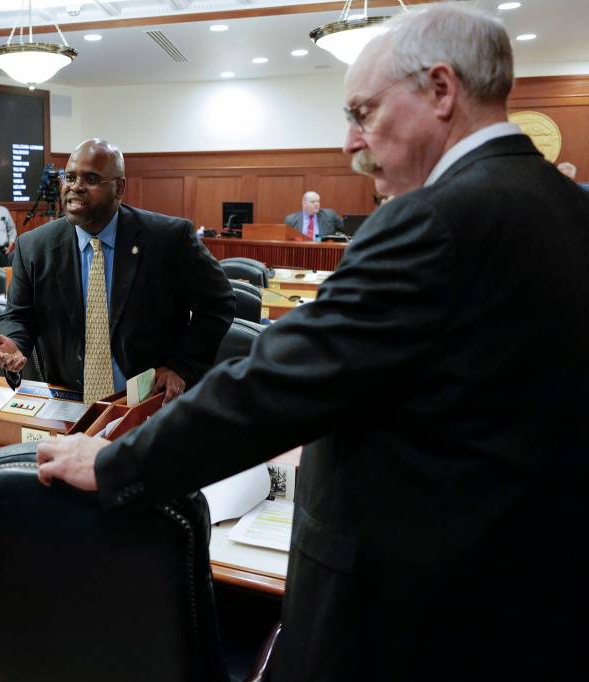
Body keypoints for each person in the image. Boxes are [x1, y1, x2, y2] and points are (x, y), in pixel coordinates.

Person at [36, 6, 588, 680]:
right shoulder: (570, 210)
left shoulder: (437, 220)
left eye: (364, 112)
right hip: (527, 590)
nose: (351, 144)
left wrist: (117, 462)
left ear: (442, 91)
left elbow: (279, 379)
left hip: (406, 613)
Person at [0, 138, 234, 404]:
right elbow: (18, 315)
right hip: (67, 402)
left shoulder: (169, 239)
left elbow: (218, 304)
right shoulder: (34, 246)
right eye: (69, 177)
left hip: (149, 403)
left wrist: (181, 366)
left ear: (119, 188)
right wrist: (14, 342)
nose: (76, 187)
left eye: (91, 179)